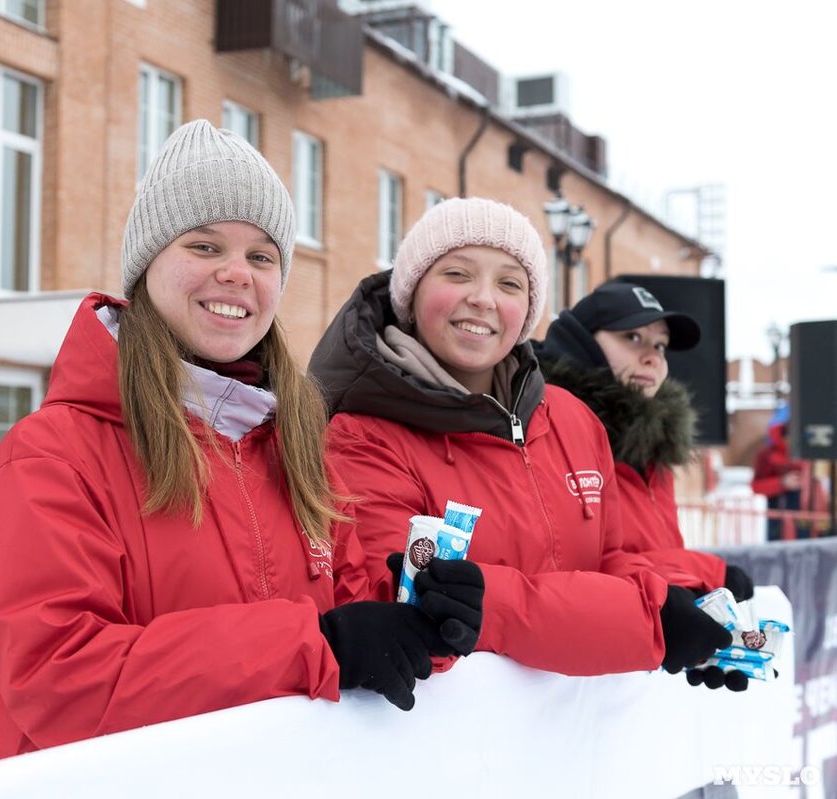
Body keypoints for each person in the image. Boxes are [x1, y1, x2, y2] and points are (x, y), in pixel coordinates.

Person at [0, 120, 465, 759]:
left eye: (261, 256)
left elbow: (353, 621)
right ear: (147, 267)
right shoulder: (51, 455)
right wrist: (315, 646)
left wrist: (419, 612)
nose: (237, 274)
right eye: (205, 246)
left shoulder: (295, 449)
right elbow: (57, 677)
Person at [309, 197, 730, 682]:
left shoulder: (572, 418)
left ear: (528, 309)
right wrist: (646, 623)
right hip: (452, 744)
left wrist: (687, 605)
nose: (484, 299)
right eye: (457, 274)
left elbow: (610, 559)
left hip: (576, 736)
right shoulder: (363, 437)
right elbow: (417, 610)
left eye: (509, 282)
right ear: (411, 291)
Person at [535, 281, 756, 690]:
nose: (651, 357)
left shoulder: (653, 445)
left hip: (632, 667)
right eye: (632, 337)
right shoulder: (546, 429)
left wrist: (698, 600)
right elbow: (577, 566)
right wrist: (707, 572)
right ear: (580, 342)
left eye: (660, 346)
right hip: (552, 679)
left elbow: (649, 555)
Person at [752, 408, 830, 540]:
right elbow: (756, 486)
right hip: (780, 519)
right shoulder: (767, 454)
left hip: (815, 518)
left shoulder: (817, 451)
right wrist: (782, 483)